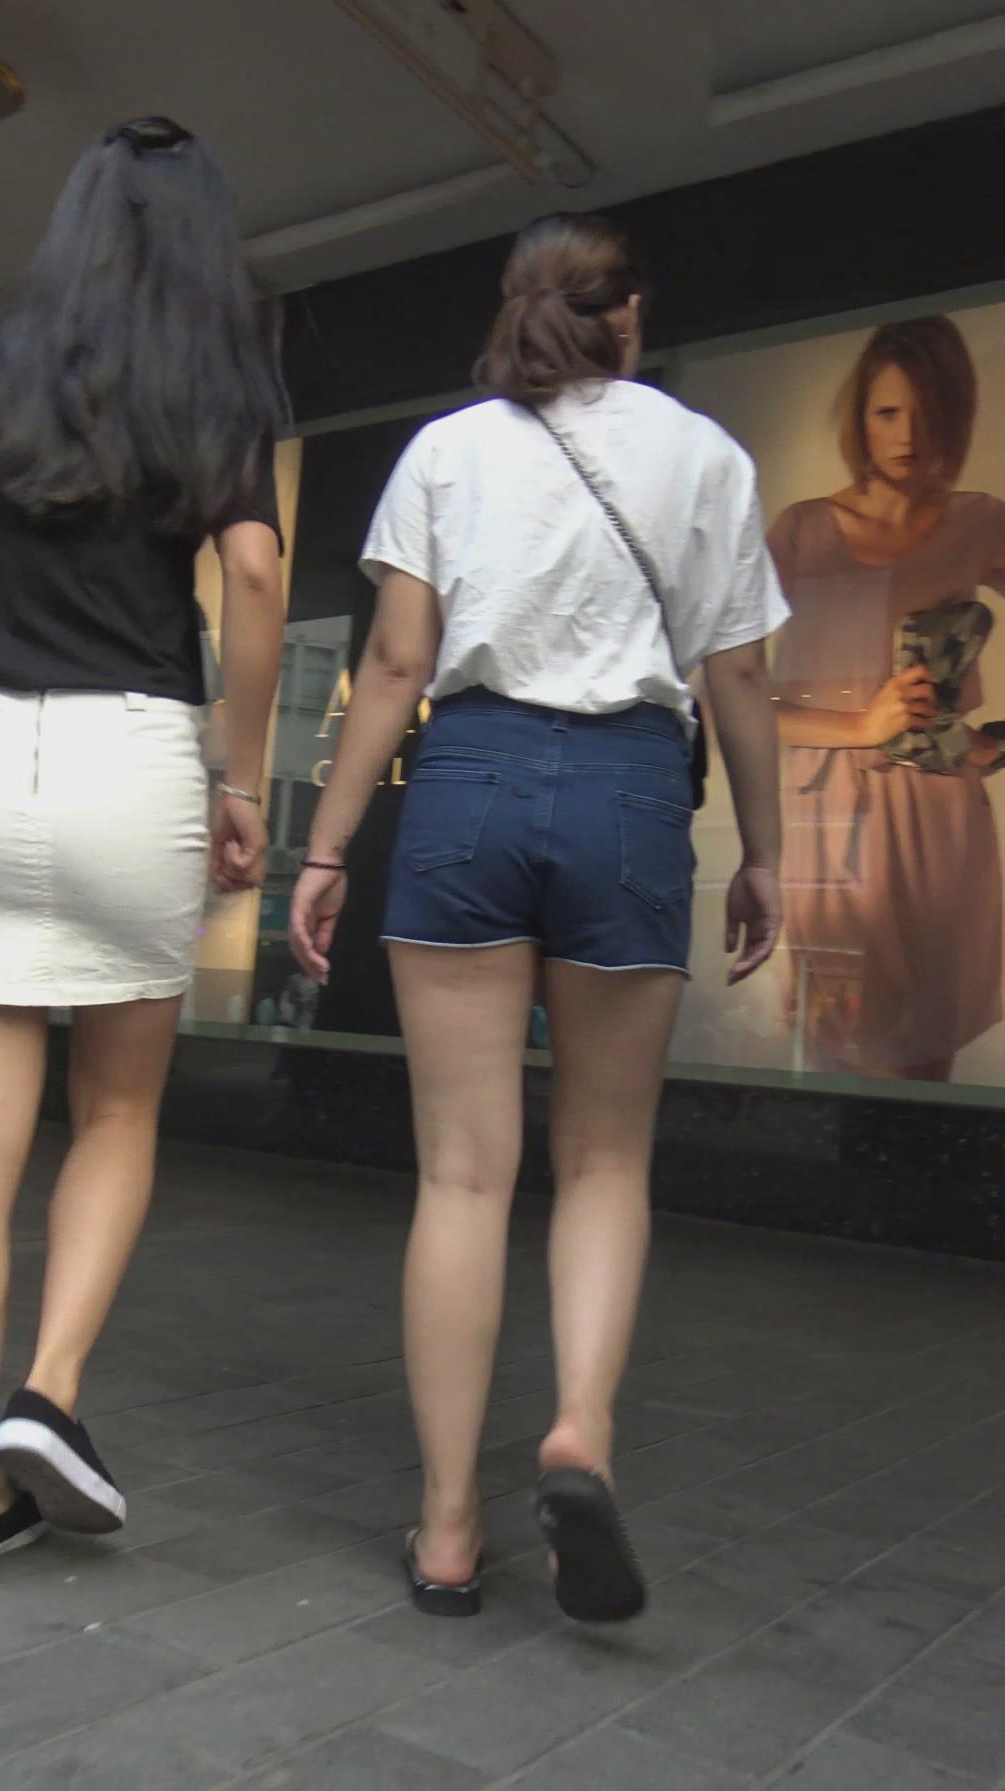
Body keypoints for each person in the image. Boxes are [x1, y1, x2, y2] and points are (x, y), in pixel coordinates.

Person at [290, 212, 786, 1625]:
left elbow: (398, 662)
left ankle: (450, 1529)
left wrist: (327, 846)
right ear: (629, 317)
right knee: (605, 1161)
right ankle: (579, 1432)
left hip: (471, 780)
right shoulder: (705, 455)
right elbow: (738, 679)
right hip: (633, 791)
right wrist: (765, 851)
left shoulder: (446, 450)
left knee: (462, 1175)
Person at [0, 117, 286, 1581]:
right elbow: (255, 572)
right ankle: (50, 1390)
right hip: (133, 759)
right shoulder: (218, 380)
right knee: (118, 1109)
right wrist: (243, 772)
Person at [769, 317, 1005, 1079]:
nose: (906, 435)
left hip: (935, 807)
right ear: (860, 416)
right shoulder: (804, 532)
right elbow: (729, 693)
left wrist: (996, 742)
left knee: (924, 1047)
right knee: (834, 1041)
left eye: (926, 412)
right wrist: (862, 724)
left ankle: (920, 1158)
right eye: (887, 412)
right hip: (826, 808)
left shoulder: (979, 522)